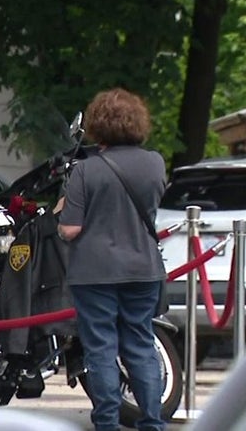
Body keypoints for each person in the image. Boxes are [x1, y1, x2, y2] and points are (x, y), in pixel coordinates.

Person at [57, 88, 167, 431]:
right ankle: (152, 421)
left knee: (101, 348)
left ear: (96, 125)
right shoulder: (155, 162)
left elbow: (70, 229)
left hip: (94, 272)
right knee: (140, 344)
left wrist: (62, 216)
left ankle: (107, 423)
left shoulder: (86, 171)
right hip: (143, 268)